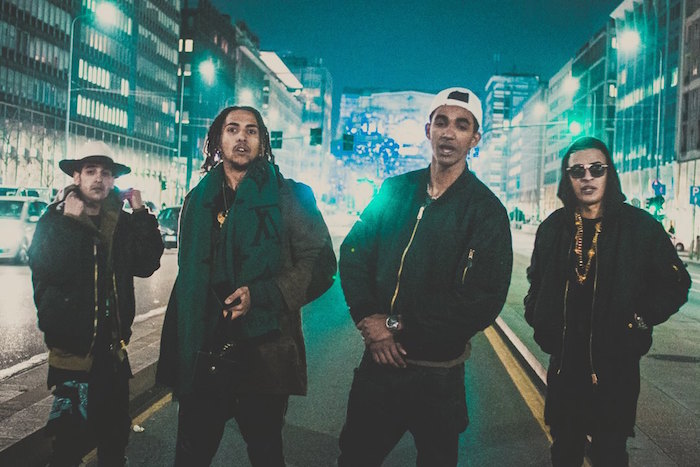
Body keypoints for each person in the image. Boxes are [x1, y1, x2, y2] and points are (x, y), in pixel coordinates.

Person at [337, 87, 513, 466]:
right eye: (441, 122)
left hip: (437, 376)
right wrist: (366, 316)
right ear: (427, 130)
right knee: (355, 457)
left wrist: (393, 325)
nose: (449, 133)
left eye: (461, 125)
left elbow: (483, 300)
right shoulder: (395, 190)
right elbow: (353, 253)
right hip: (379, 369)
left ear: (475, 138)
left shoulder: (486, 211)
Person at [156, 105, 336, 466]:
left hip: (264, 354)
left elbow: (320, 265)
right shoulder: (197, 199)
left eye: (251, 130)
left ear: (263, 141)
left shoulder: (291, 196)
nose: (242, 137)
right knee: (191, 455)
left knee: (266, 453)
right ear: (217, 141)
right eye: (232, 129)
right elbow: (188, 276)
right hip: (205, 350)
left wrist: (263, 294)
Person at [524, 136, 691, 466]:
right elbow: (537, 281)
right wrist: (538, 315)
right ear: (568, 177)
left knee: (610, 453)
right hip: (565, 367)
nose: (587, 177)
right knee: (564, 450)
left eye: (596, 169)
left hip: (616, 368)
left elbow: (676, 282)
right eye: (578, 171)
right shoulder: (553, 227)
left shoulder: (639, 226)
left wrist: (641, 317)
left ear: (609, 173)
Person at [28, 140, 164, 467]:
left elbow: (147, 263)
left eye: (105, 173)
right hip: (72, 352)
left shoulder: (122, 222)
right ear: (76, 176)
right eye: (90, 171)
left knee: (114, 437)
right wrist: (71, 225)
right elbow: (50, 269)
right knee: (68, 443)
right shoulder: (54, 220)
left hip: (113, 350)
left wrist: (141, 213)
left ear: (113, 180)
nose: (99, 179)